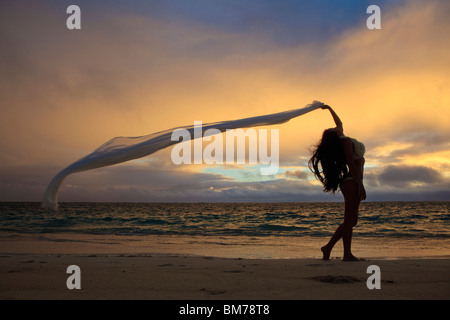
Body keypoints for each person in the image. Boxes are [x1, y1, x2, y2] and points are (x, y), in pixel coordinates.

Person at [308, 105, 366, 261]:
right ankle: (346, 254)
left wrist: (329, 108)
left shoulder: (342, 139)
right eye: (335, 129)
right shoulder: (345, 141)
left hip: (353, 181)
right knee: (349, 220)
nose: (337, 127)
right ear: (335, 135)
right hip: (352, 181)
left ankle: (327, 248)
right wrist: (360, 185)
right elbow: (351, 164)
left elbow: (339, 122)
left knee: (352, 220)